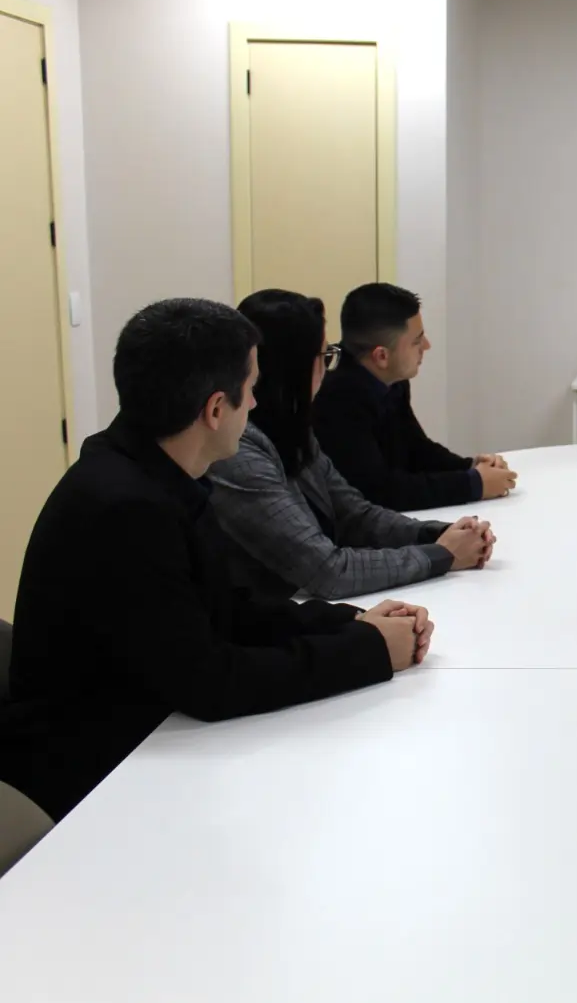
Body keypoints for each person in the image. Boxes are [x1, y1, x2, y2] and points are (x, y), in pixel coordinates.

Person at [0, 299, 433, 822]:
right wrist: (368, 652)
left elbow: (230, 608)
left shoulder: (151, 470)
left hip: (148, 734)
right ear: (214, 409)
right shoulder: (127, 508)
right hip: (99, 779)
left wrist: (352, 623)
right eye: (249, 390)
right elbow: (211, 683)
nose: (255, 404)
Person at [210, 290, 497, 600]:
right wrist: (443, 554)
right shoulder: (239, 452)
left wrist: (438, 533)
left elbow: (354, 513)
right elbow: (328, 572)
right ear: (296, 369)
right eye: (325, 356)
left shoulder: (291, 427)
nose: (329, 367)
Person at [314, 282, 517, 511]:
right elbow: (377, 492)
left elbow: (415, 448)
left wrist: (470, 467)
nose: (427, 346)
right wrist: (473, 484)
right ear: (381, 356)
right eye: (417, 341)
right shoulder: (335, 399)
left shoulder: (391, 378)